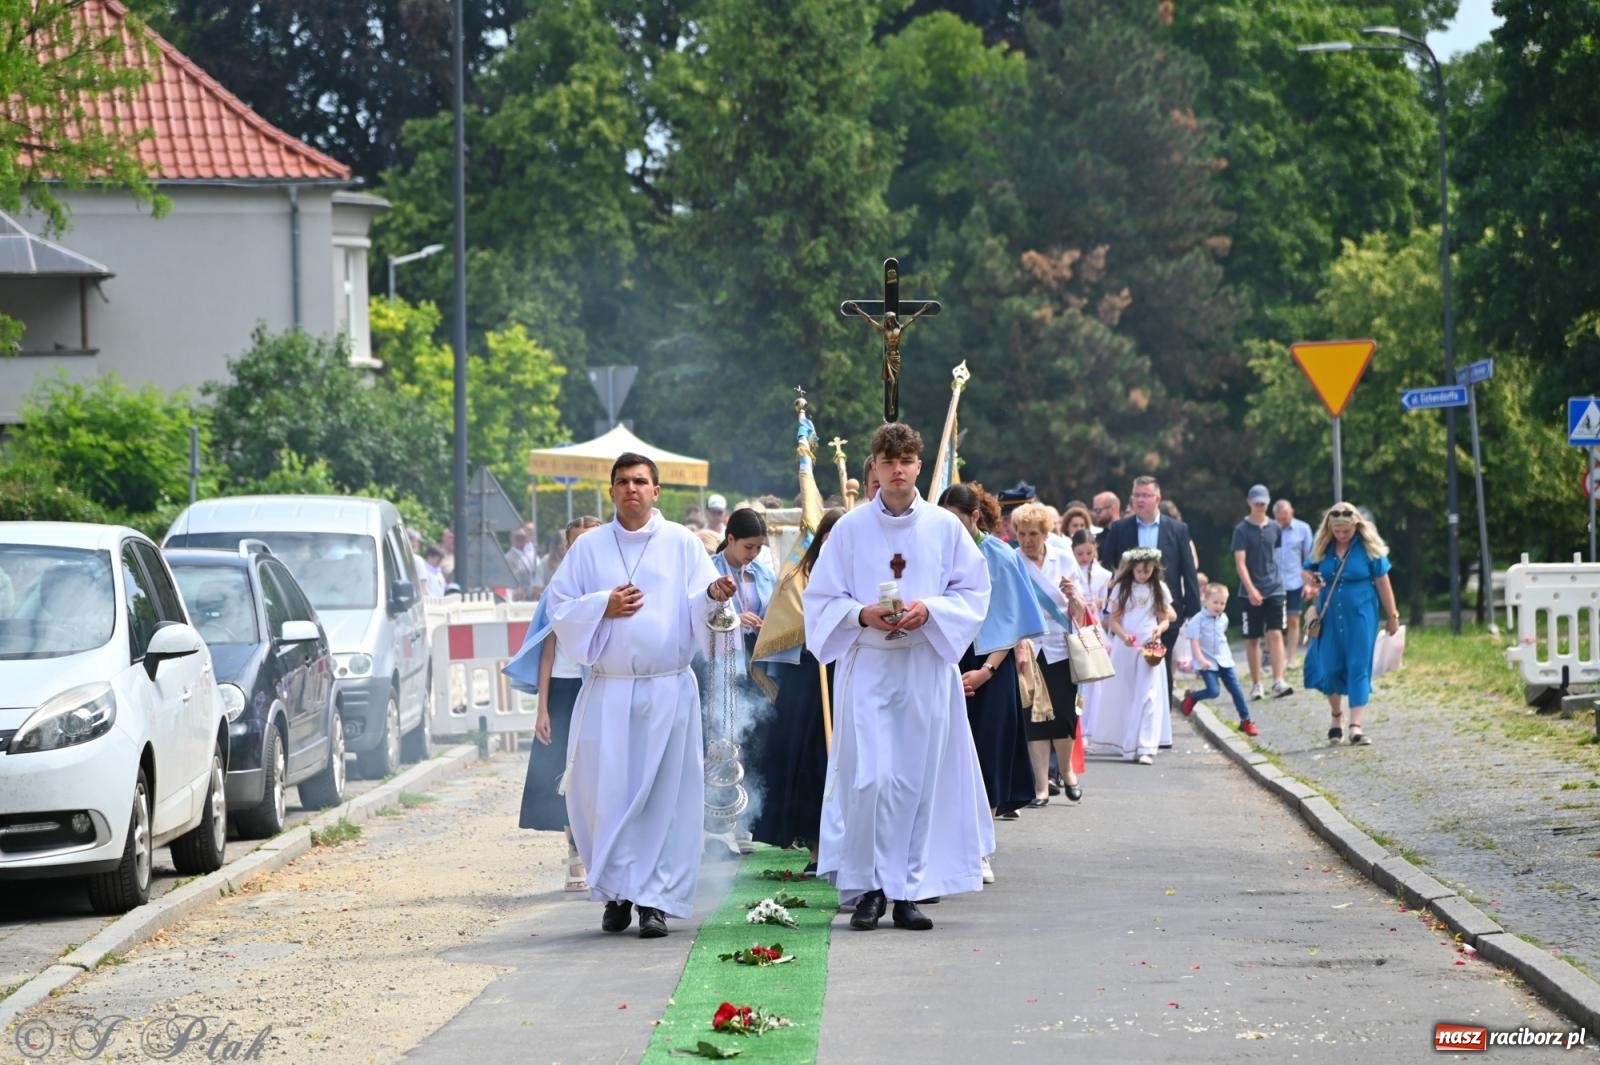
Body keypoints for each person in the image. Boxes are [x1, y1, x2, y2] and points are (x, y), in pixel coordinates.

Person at [538, 452, 737, 939]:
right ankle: (618, 893)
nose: (632, 489)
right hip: (610, 691)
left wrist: (712, 598)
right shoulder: (588, 550)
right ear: (611, 492)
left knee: (665, 800)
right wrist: (601, 605)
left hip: (668, 691)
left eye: (641, 481)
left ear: (657, 491)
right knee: (609, 796)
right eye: (623, 482)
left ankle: (656, 901)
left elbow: (699, 603)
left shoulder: (682, 544)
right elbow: (558, 609)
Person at [805, 423, 992, 932]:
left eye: (906, 460)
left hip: (923, 664)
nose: (897, 470)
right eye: (887, 462)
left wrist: (929, 610)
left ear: (917, 464)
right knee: (868, 779)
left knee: (914, 779)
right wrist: (860, 615)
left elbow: (974, 591)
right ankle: (867, 888)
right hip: (868, 664)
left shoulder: (944, 528)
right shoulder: (848, 529)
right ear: (875, 467)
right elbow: (820, 598)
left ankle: (908, 889)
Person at [939, 484, 1044, 877]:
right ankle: (950, 842)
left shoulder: (998, 555)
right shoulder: (937, 557)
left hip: (991, 664)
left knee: (988, 752)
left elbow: (1012, 619)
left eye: (956, 520)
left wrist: (986, 671)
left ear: (974, 517)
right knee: (947, 754)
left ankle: (982, 847)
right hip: (949, 660)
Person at [748, 508, 846, 873]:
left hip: (850, 674)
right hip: (811, 681)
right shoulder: (799, 577)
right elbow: (785, 625)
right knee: (810, 765)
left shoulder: (861, 573)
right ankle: (818, 847)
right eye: (828, 538)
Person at [513, 516, 604, 891]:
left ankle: (603, 855)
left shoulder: (613, 588)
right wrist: (543, 709)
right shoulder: (557, 592)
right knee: (566, 776)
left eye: (590, 541)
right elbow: (547, 653)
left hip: (602, 686)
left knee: (601, 774)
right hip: (566, 689)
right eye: (575, 542)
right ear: (567, 548)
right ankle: (576, 858)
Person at [708, 507, 782, 855]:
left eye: (758, 548)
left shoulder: (764, 573)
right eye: (748, 547)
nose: (753, 555)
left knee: (753, 737)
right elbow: (697, 609)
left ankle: (745, 821)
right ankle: (716, 824)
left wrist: (764, 623)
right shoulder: (707, 570)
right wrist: (735, 617)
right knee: (721, 735)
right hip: (720, 662)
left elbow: (779, 613)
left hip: (757, 663)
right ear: (731, 538)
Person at [1302, 503, 1400, 747]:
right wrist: (1311, 579)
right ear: (1330, 528)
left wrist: (1393, 615)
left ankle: (1355, 726)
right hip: (1330, 617)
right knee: (1329, 667)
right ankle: (1336, 716)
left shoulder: (1368, 548)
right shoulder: (1323, 546)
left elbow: (1382, 581)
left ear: (1356, 526)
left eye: (1346, 531)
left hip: (1361, 616)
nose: (1342, 535)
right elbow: (1306, 570)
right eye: (1337, 531)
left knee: (1358, 666)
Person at [1098, 476, 1200, 705]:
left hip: (1166, 608)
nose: (1140, 500)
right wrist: (1107, 605)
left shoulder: (1177, 529)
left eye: (1145, 495)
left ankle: (1160, 722)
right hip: (1131, 612)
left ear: (1157, 499)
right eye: (1136, 495)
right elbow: (1107, 566)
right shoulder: (1120, 528)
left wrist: (1193, 610)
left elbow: (1188, 570)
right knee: (1134, 667)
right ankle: (1135, 716)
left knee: (1161, 664)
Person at [1011, 502, 1088, 805]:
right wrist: (1017, 643)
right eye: (1021, 533)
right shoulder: (1013, 561)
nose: (1027, 539)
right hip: (1028, 646)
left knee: (1064, 714)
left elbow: (1080, 609)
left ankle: (1067, 771)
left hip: (1060, 643)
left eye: (1032, 533)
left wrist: (1074, 598)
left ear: (1045, 533)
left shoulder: (1063, 557)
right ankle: (1041, 786)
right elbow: (1009, 608)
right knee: (1034, 718)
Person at [1092, 548, 1176, 764]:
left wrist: (1160, 629)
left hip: (1149, 645)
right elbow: (1113, 620)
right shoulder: (1122, 587)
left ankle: (1146, 746)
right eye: (1139, 571)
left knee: (1148, 694)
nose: (1143, 575)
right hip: (1127, 646)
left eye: (1147, 572)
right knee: (1127, 693)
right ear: (1132, 569)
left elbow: (1165, 618)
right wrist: (1124, 636)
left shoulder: (1158, 589)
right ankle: (1126, 742)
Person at [1232, 485, 1293, 700]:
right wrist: (1251, 589)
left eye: (1263, 503)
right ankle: (1257, 683)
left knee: (1276, 633)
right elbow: (1240, 563)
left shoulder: (1275, 528)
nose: (1260, 506)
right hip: (1251, 588)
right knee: (1253, 638)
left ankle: (1278, 679)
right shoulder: (1241, 530)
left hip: (1275, 586)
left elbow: (1273, 555)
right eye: (1256, 502)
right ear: (1249, 502)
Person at [1177, 582, 1256, 736]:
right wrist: (1201, 660)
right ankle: (1193, 697)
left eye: (1222, 603)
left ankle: (1245, 720)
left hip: (1225, 661)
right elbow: (1194, 642)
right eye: (1215, 602)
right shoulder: (1197, 620)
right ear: (1205, 600)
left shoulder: (1223, 619)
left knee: (1237, 691)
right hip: (1207, 664)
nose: (1219, 606)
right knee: (1214, 691)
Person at [1069, 529, 1112, 742]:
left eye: (1088, 553)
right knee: (1080, 678)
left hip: (1094, 625)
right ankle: (1079, 726)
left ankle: (1093, 727)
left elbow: (1105, 603)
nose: (1085, 557)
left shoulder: (1103, 575)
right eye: (1080, 553)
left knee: (1096, 679)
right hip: (1076, 623)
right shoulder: (1070, 571)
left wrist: (1096, 603)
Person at [1274, 498, 1315, 667]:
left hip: (1295, 581)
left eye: (1285, 517)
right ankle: (1276, 658)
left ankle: (1290, 659)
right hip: (1274, 582)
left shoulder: (1303, 528)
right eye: (1280, 518)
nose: (1283, 521)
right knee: (1273, 624)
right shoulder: (1270, 528)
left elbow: (1310, 558)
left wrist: (1309, 583)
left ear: (1292, 512)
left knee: (1293, 619)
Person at [505, 529, 537, 601]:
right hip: (518, 599)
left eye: (523, 537)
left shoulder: (528, 555)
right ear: (511, 539)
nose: (520, 539)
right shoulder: (509, 558)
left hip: (530, 598)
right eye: (517, 537)